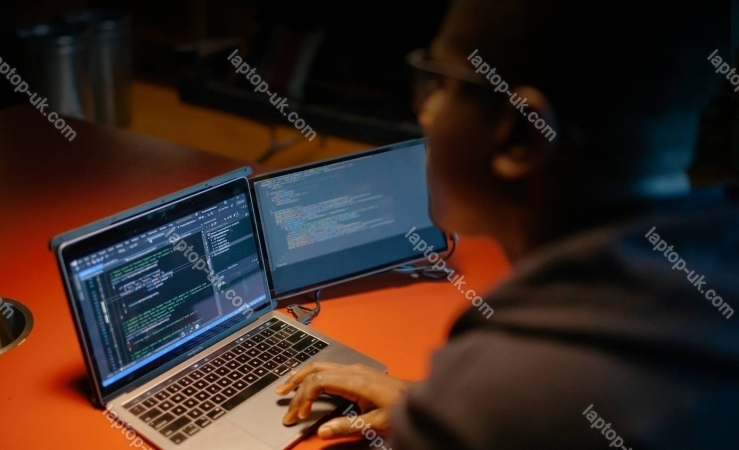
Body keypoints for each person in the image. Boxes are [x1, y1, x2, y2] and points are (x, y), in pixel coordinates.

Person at [276, 0, 739, 448]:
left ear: (520, 135)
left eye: (442, 83)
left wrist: (454, 417)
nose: (426, 112)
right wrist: (433, 407)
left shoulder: (497, 403)